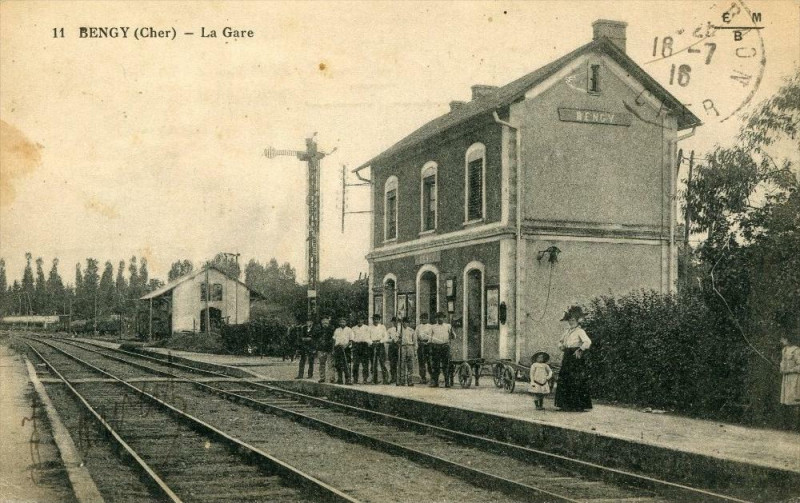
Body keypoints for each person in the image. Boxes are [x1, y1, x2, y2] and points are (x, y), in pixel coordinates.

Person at [554, 306, 592, 411]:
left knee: (576, 379)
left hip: (575, 357)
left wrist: (580, 350)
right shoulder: (567, 331)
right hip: (567, 355)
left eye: (573, 320)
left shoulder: (580, 331)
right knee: (565, 378)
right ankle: (565, 405)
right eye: (570, 320)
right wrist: (561, 346)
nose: (571, 322)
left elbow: (587, 342)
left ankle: (578, 405)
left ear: (577, 320)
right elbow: (560, 341)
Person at [429, 312, 456, 388]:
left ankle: (447, 382)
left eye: (441, 317)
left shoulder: (448, 326)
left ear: (443, 318)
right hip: (436, 347)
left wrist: (452, 334)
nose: (440, 319)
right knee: (436, 365)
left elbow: (454, 336)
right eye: (438, 317)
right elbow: (430, 339)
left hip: (445, 346)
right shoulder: (433, 327)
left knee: (446, 365)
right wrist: (431, 348)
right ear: (436, 318)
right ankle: (435, 382)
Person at [780, 333, 800, 429]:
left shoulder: (796, 350)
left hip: (794, 379)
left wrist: (789, 370)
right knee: (786, 401)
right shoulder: (784, 350)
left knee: (795, 401)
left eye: (783, 339)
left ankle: (795, 426)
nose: (781, 341)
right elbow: (783, 363)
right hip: (786, 379)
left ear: (788, 339)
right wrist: (782, 368)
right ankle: (787, 426)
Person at [332, 317, 354, 385]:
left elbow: (351, 340)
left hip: (346, 348)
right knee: (338, 364)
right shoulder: (337, 330)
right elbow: (334, 340)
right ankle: (340, 379)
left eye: (343, 322)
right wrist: (333, 349)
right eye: (341, 322)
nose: (342, 323)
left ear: (346, 322)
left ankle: (348, 379)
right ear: (339, 323)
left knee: (346, 364)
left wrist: (346, 346)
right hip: (338, 348)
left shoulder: (349, 330)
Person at [369, 314, 389, 384]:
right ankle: (374, 380)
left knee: (382, 362)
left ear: (379, 320)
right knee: (373, 363)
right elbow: (367, 337)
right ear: (372, 320)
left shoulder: (382, 327)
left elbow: (386, 337)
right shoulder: (370, 328)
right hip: (372, 345)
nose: (376, 321)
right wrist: (371, 342)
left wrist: (380, 341)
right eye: (374, 319)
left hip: (380, 345)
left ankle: (385, 379)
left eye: (377, 319)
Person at [351, 314, 371, 384]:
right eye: (358, 319)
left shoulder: (367, 328)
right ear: (357, 320)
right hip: (356, 346)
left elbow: (369, 337)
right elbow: (352, 338)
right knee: (355, 363)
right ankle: (355, 378)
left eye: (361, 319)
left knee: (365, 363)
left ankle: (365, 378)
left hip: (364, 346)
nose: (360, 321)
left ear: (363, 320)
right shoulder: (353, 328)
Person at [398, 317, 417, 386]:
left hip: (410, 347)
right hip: (402, 347)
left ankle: (410, 381)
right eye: (404, 322)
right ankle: (402, 380)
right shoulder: (399, 330)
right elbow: (396, 339)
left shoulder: (411, 330)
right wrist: (398, 339)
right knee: (402, 364)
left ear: (408, 323)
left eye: (407, 322)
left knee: (410, 365)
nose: (405, 323)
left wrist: (415, 351)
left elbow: (415, 341)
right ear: (402, 322)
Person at [317, 315, 336, 383]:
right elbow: (316, 339)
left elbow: (334, 339)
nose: (325, 323)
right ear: (321, 322)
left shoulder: (332, 329)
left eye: (326, 322)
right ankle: (322, 377)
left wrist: (333, 349)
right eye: (323, 322)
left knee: (331, 364)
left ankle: (332, 378)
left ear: (328, 322)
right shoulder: (318, 329)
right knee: (322, 364)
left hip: (329, 349)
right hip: (321, 349)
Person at [416, 312, 433, 384]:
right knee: (421, 361)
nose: (423, 319)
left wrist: (428, 342)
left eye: (425, 318)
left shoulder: (430, 326)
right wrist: (418, 343)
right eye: (422, 318)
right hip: (420, 344)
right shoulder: (418, 327)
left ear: (427, 319)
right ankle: (423, 377)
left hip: (428, 345)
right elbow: (415, 336)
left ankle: (432, 377)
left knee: (430, 361)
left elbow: (432, 335)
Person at [386, 317, 400, 384]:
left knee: (400, 362)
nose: (395, 323)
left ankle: (399, 378)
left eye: (397, 321)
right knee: (392, 363)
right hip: (392, 347)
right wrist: (392, 340)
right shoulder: (390, 330)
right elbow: (386, 339)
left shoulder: (401, 329)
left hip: (399, 347)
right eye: (394, 321)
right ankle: (393, 377)